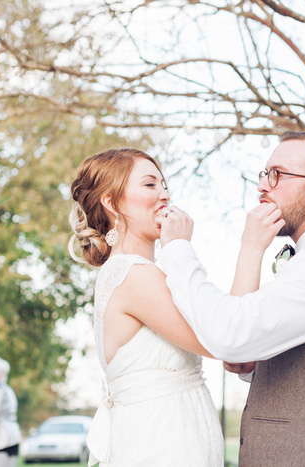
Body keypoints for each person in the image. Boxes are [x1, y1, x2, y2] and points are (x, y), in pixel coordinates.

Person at [157, 131, 305, 466]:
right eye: (264, 173)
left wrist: (177, 251)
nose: (263, 185)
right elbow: (244, 353)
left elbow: (232, 336)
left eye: (278, 174)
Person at [69, 148, 255, 466]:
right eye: (150, 185)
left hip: (172, 436)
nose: (165, 195)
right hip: (161, 443)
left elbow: (231, 330)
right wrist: (252, 245)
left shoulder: (139, 273)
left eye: (164, 184)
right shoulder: (132, 274)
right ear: (111, 202)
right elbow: (232, 343)